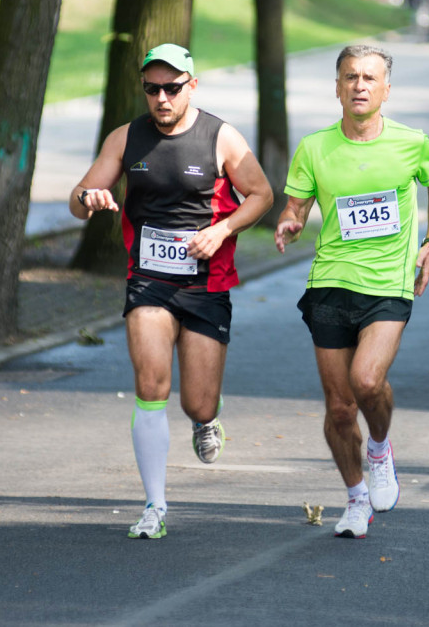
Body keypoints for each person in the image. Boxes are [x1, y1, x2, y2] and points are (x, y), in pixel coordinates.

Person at [69, 43, 273, 540]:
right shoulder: (126, 138)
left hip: (206, 283)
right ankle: (155, 507)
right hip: (149, 280)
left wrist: (222, 231)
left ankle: (208, 419)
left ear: (192, 86)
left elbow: (263, 195)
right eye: (152, 89)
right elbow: (77, 201)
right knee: (151, 385)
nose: (161, 98)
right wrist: (90, 198)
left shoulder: (220, 137)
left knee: (197, 403)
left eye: (172, 88)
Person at [274, 45, 429, 538]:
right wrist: (289, 223)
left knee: (367, 381)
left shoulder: (410, 142)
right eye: (350, 76)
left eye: (370, 78)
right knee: (338, 406)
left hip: (387, 283)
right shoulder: (314, 147)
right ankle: (356, 499)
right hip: (331, 280)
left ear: (386, 90)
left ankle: (379, 448)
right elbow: (296, 205)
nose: (359, 85)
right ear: (336, 86)